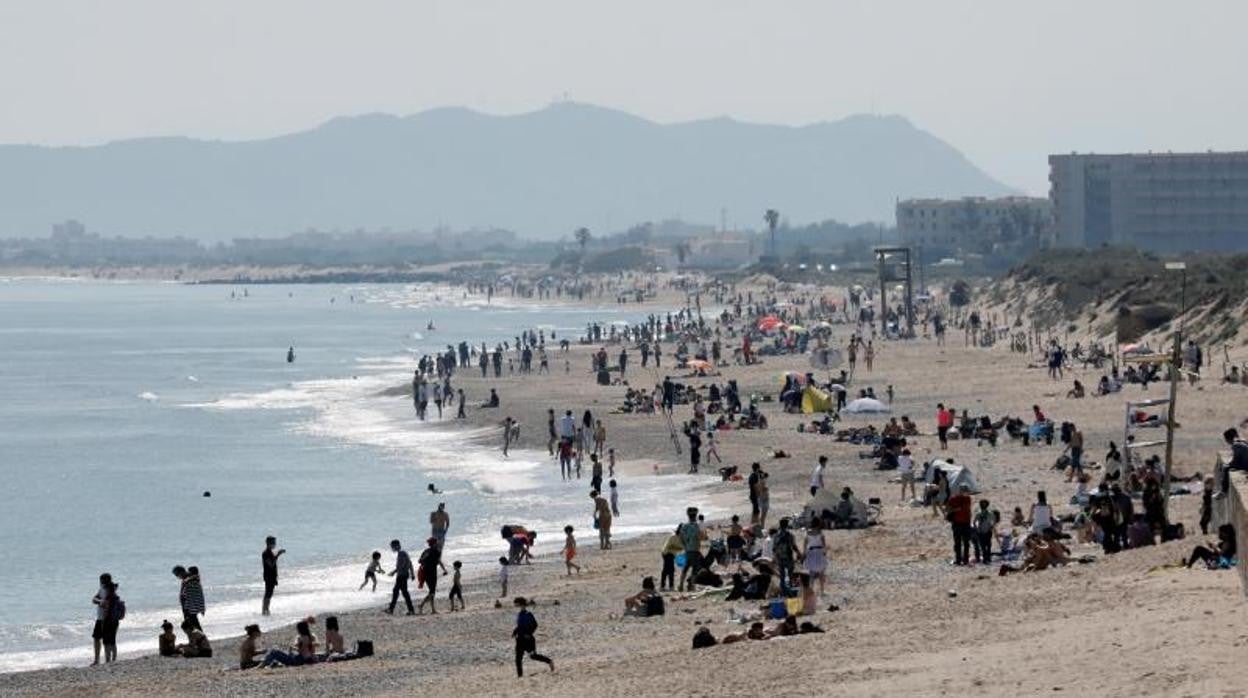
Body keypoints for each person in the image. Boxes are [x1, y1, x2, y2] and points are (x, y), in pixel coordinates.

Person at [512, 598, 554, 677]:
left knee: (533, 656)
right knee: (518, 658)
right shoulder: (519, 614)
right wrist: (515, 632)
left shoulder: (528, 614)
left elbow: (535, 625)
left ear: (521, 604)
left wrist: (529, 633)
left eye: (516, 604)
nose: (515, 605)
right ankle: (520, 675)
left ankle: (549, 661)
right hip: (520, 639)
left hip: (528, 640)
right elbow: (519, 626)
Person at [417, 537, 449, 614]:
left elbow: (419, 561)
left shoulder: (426, 551)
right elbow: (439, 561)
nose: (437, 543)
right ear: (434, 543)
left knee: (432, 591)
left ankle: (433, 609)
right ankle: (421, 605)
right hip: (432, 573)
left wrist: (426, 560)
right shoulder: (436, 551)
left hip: (425, 573)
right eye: (436, 542)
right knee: (432, 592)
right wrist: (444, 570)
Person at [91, 573, 117, 665]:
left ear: (102, 581)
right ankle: (101, 660)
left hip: (105, 619)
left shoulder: (109, 591)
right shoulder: (106, 589)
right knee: (100, 638)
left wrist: (100, 601)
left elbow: (103, 603)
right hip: (103, 618)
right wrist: (99, 601)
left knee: (106, 641)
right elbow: (94, 599)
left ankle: (106, 661)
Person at [677, 507, 705, 591]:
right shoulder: (697, 526)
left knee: (685, 568)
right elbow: (701, 537)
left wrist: (685, 545)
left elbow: (680, 538)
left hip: (687, 550)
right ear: (696, 515)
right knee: (694, 569)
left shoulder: (684, 526)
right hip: (695, 550)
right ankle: (692, 586)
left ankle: (681, 585)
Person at [945, 484, 974, 566]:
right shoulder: (953, 499)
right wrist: (956, 509)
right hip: (957, 523)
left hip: (966, 523)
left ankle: (965, 560)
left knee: (966, 543)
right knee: (958, 542)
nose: (965, 492)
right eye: (964, 490)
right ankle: (958, 559)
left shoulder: (968, 498)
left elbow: (968, 510)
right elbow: (947, 509)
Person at [386, 539, 416, 615]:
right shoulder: (403, 552)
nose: (392, 548)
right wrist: (412, 574)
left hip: (402, 575)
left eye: (392, 547)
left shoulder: (401, 553)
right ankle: (392, 609)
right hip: (404, 575)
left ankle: (392, 609)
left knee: (399, 592)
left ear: (396, 546)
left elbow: (401, 566)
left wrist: (393, 572)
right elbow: (410, 563)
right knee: (400, 592)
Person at [172, 565, 205, 632]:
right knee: (192, 623)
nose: (177, 577)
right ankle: (197, 638)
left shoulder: (191, 578)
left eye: (177, 575)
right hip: (187, 605)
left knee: (193, 622)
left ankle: (201, 638)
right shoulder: (186, 579)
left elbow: (195, 579)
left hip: (190, 605)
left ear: (181, 572)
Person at [802, 521, 828, 597]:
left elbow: (805, 544)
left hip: (811, 553)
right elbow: (824, 544)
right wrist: (824, 553)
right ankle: (822, 591)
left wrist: (804, 554)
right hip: (819, 553)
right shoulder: (821, 533)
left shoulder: (807, 533)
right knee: (821, 574)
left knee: (811, 575)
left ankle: (811, 591)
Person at [261, 536, 284, 616]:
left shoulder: (270, 552)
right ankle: (264, 610)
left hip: (272, 576)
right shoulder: (265, 553)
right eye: (274, 543)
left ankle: (266, 609)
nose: (275, 544)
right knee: (268, 593)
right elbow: (271, 564)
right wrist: (278, 555)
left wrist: (276, 555)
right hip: (268, 576)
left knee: (269, 593)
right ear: (269, 543)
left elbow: (272, 562)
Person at [972, 499, 996, 564]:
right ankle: (985, 559)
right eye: (982, 504)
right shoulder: (979, 513)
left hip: (987, 531)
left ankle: (988, 558)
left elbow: (993, 521)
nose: (983, 505)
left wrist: (991, 527)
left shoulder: (990, 513)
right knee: (983, 546)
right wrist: (977, 529)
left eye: (984, 504)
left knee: (988, 545)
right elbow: (974, 522)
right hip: (981, 531)